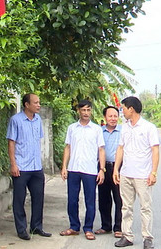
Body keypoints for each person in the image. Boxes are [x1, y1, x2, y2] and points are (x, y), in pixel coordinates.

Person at [113, 96, 160, 249]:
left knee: (145, 207)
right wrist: (116, 169)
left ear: (131, 109)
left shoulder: (148, 127)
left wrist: (153, 172)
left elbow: (155, 150)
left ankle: (147, 238)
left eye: (124, 108)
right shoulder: (124, 127)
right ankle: (127, 236)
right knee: (126, 206)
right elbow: (120, 148)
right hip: (126, 173)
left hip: (143, 175)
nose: (122, 112)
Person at [6, 93, 52, 240]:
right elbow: (11, 142)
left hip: (36, 166)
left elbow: (37, 140)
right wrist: (13, 164)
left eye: (39, 102)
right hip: (21, 167)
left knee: (38, 197)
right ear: (27, 104)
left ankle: (36, 226)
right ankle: (21, 229)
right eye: (36, 103)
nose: (38, 105)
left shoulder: (38, 119)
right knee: (19, 199)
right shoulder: (16, 120)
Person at [59, 99, 105, 241]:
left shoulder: (97, 129)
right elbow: (68, 147)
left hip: (90, 170)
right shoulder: (72, 128)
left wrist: (102, 169)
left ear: (91, 111)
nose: (86, 113)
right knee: (72, 200)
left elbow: (101, 149)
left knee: (90, 200)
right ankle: (74, 227)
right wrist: (64, 167)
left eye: (88, 110)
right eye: (83, 110)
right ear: (78, 111)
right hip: (73, 169)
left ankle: (88, 228)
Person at [96, 106, 123, 238]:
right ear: (105, 117)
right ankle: (105, 226)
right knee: (103, 198)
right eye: (110, 116)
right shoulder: (99, 131)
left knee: (119, 198)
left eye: (115, 116)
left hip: (118, 167)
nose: (113, 119)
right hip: (102, 167)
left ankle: (118, 227)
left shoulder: (123, 131)